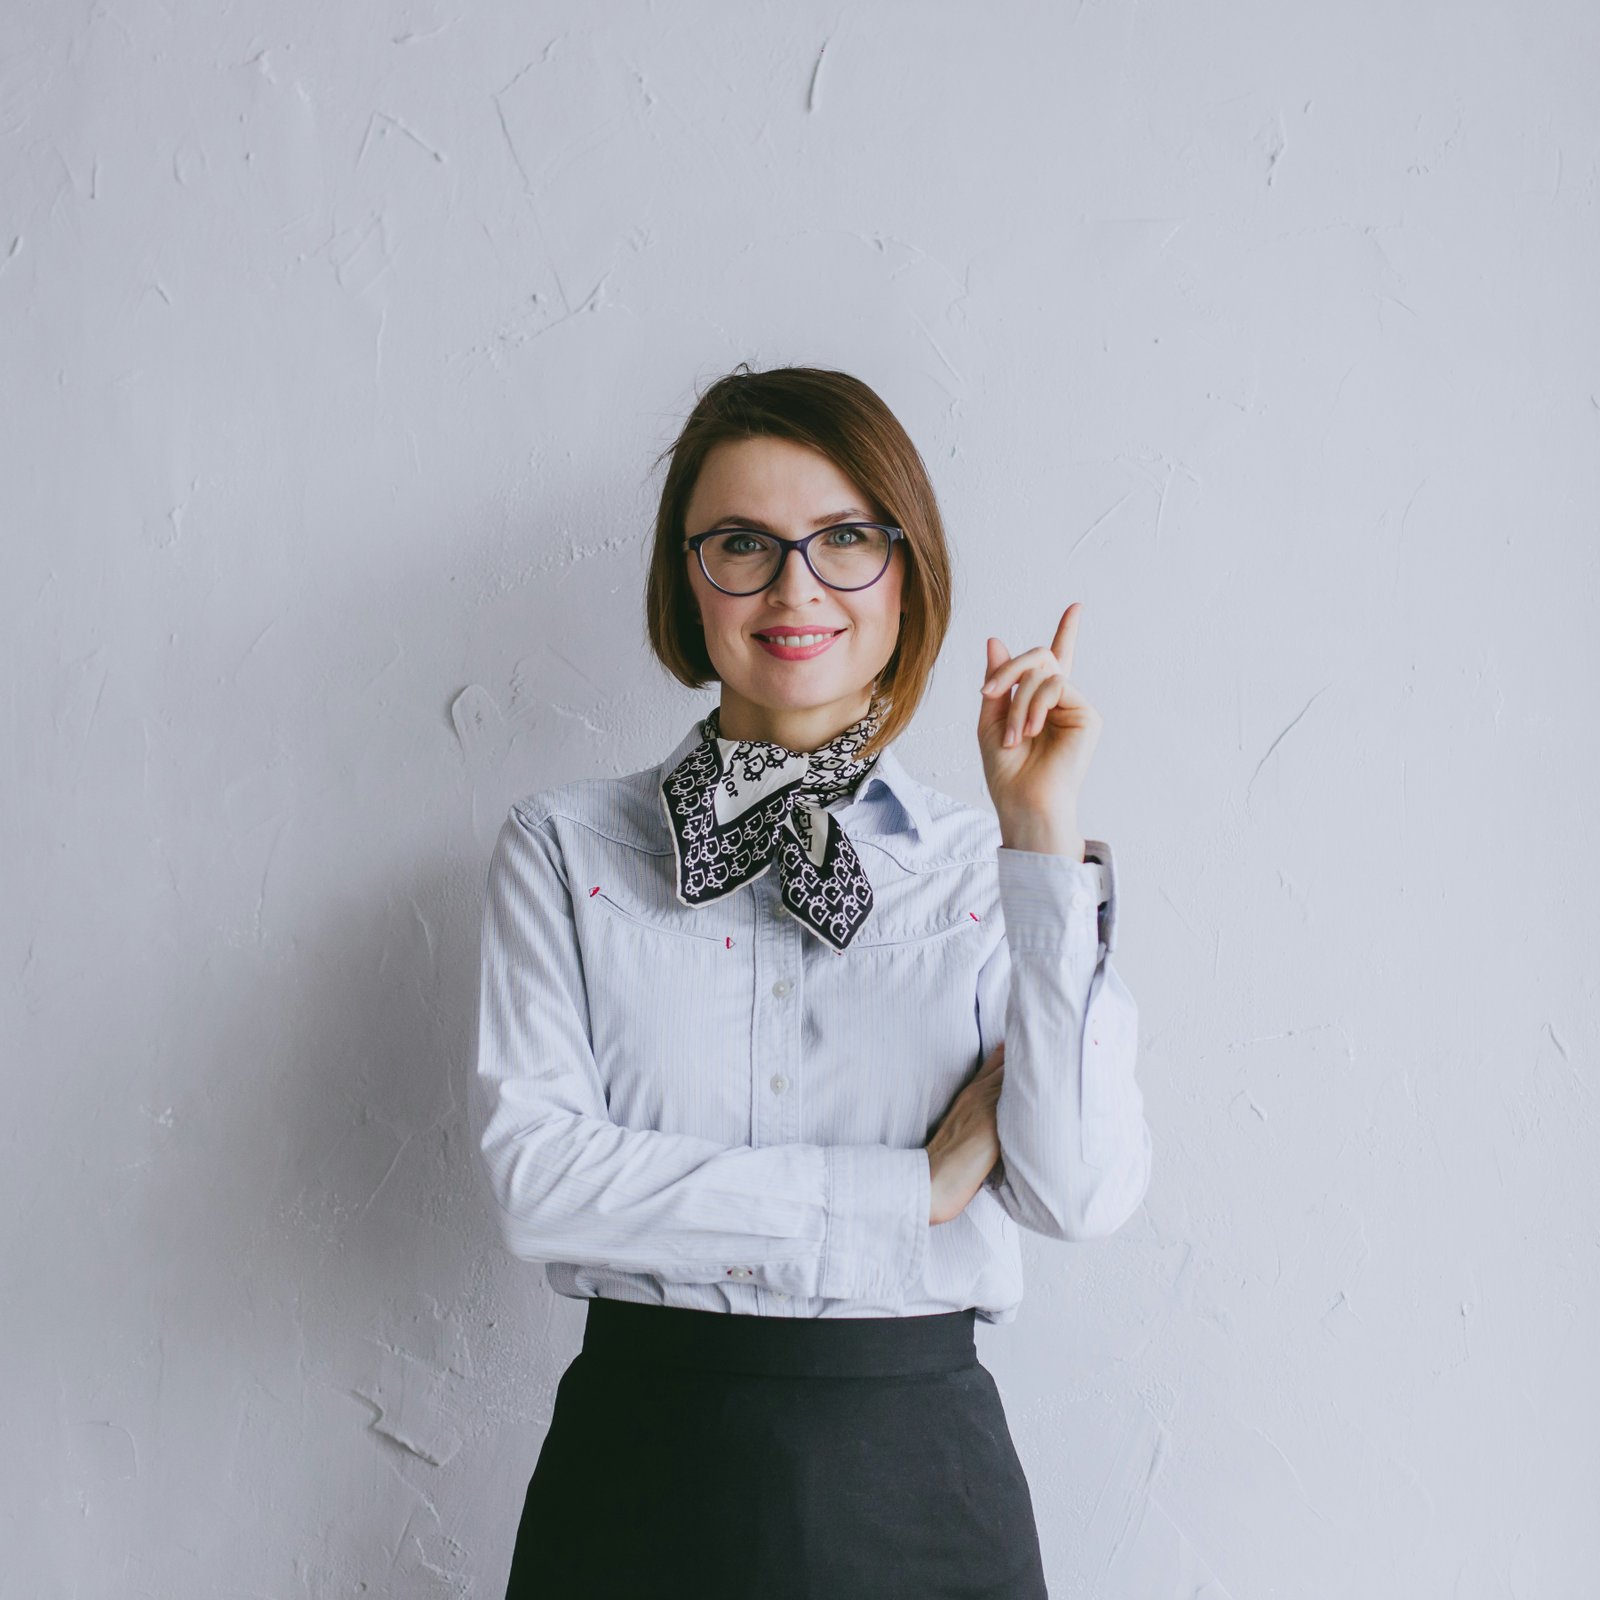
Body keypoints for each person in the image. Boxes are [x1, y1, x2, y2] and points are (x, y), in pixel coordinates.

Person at [472, 364, 1153, 1599]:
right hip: (635, 1482)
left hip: (923, 1493)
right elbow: (541, 1185)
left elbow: (1078, 1190)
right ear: (688, 577)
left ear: (909, 568)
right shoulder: (568, 852)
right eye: (743, 541)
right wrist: (907, 1195)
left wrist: (1040, 843)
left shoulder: (978, 873)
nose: (796, 587)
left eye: (845, 538)